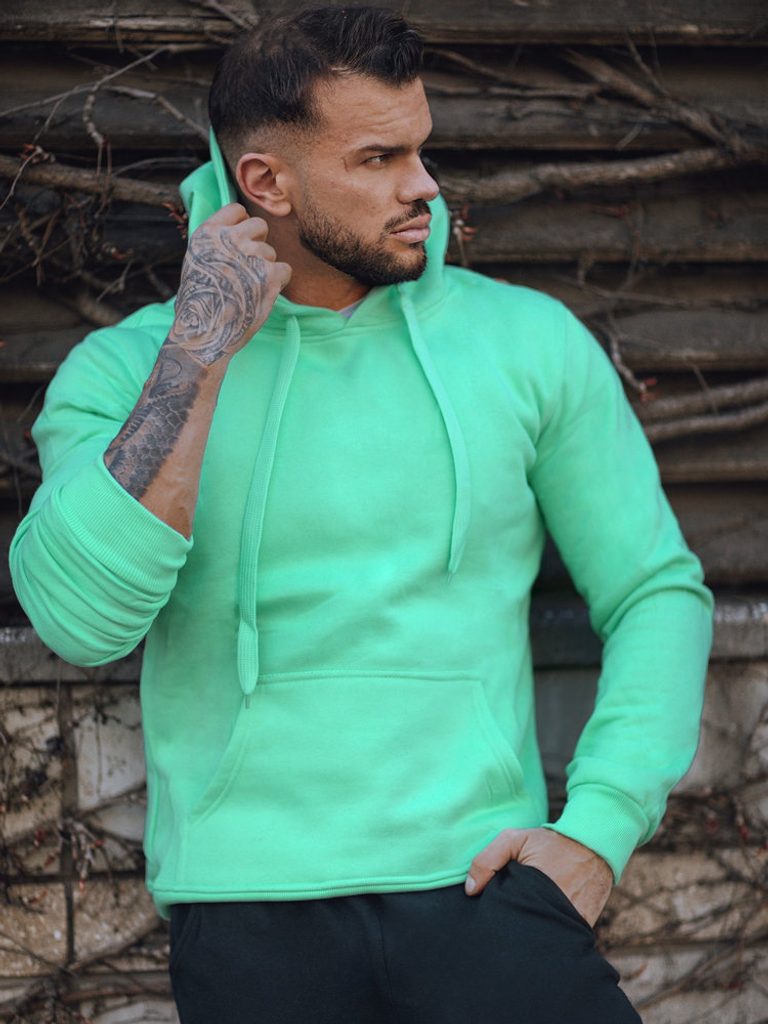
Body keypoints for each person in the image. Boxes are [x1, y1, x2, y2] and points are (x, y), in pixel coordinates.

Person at [11, 7, 713, 1022]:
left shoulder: (527, 343)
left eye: (421, 148)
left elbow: (655, 590)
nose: (425, 185)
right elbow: (81, 623)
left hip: (487, 887)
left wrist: (598, 832)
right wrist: (197, 355)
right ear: (267, 182)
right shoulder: (124, 372)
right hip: (247, 911)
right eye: (380, 158)